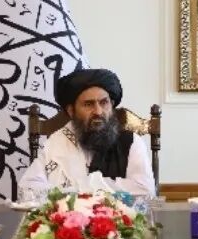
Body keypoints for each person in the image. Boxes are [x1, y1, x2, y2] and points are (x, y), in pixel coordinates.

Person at [18, 68, 155, 196]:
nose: (98, 111)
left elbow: (145, 191)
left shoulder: (131, 143)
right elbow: (28, 188)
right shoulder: (57, 142)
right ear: (71, 111)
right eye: (88, 104)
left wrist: (88, 187)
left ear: (112, 105)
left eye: (104, 102)